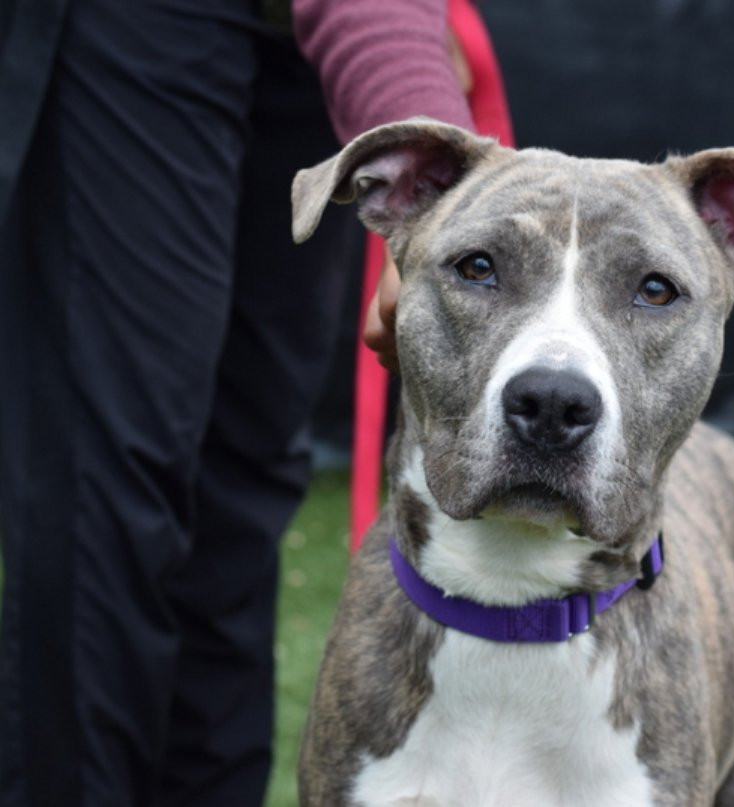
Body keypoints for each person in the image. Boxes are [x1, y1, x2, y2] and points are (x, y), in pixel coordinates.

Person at [0, 1, 473, 804]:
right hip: (129, 28)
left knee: (250, 477)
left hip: (299, 46)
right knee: (109, 488)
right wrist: (442, 186)